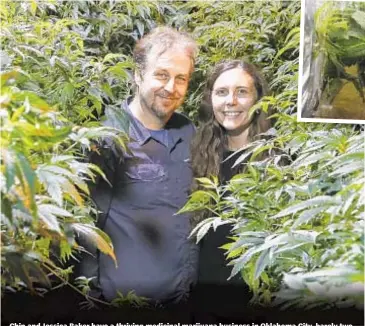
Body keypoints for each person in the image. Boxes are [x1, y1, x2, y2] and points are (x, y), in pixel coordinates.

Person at [77, 26, 200, 321]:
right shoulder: (106, 138)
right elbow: (84, 229)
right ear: (138, 74)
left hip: (185, 303)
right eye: (161, 74)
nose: (171, 87)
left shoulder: (189, 133)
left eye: (180, 78)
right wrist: (88, 302)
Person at [190, 59, 271, 322]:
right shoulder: (196, 154)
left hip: (257, 302)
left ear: (258, 98)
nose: (231, 101)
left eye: (242, 92)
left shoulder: (278, 159)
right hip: (202, 302)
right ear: (210, 99)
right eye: (222, 92)